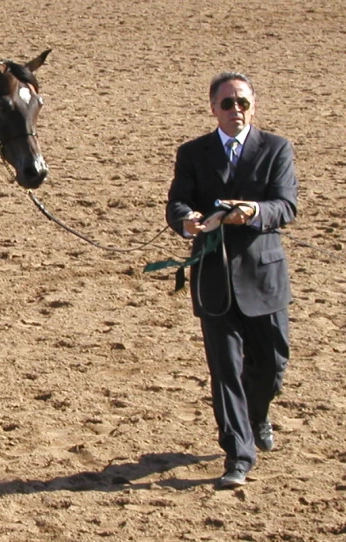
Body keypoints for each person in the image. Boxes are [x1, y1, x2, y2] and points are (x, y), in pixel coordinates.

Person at [165, 72, 298, 489]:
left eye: (242, 102)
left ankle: (258, 415)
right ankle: (238, 456)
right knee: (225, 372)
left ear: (252, 106)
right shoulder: (192, 153)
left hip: (264, 276)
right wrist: (187, 221)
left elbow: (286, 204)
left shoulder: (277, 148)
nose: (235, 110)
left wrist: (254, 213)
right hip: (214, 278)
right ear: (213, 109)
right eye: (227, 103)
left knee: (272, 366)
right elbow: (177, 203)